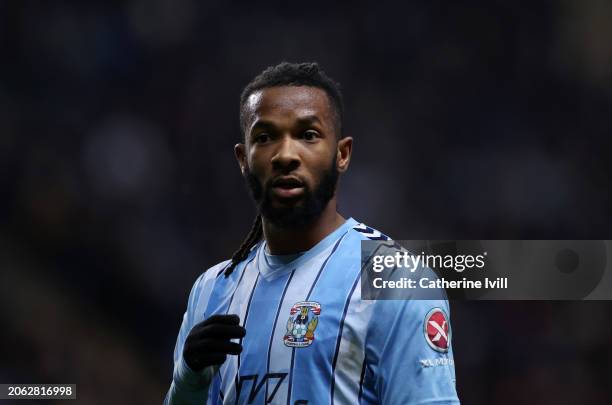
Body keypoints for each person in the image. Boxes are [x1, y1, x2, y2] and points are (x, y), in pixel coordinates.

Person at [165, 62, 460, 404]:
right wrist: (188, 382)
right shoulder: (210, 291)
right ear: (243, 158)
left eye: (308, 135)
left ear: (342, 154)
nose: (285, 155)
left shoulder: (395, 280)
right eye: (265, 137)